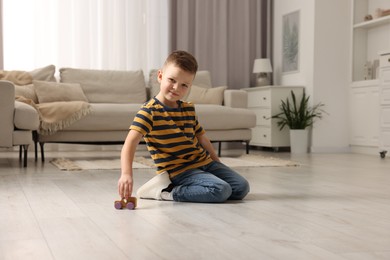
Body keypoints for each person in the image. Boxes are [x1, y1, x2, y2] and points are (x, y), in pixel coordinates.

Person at [118, 50, 249, 203]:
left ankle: (203, 185)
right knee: (220, 190)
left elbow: (202, 138)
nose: (176, 88)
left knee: (242, 187)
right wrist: (126, 174)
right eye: (172, 80)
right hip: (179, 171)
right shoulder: (149, 111)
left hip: (204, 163)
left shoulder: (188, 108)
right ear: (160, 76)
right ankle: (166, 192)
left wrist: (217, 164)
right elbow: (130, 143)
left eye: (184, 85)